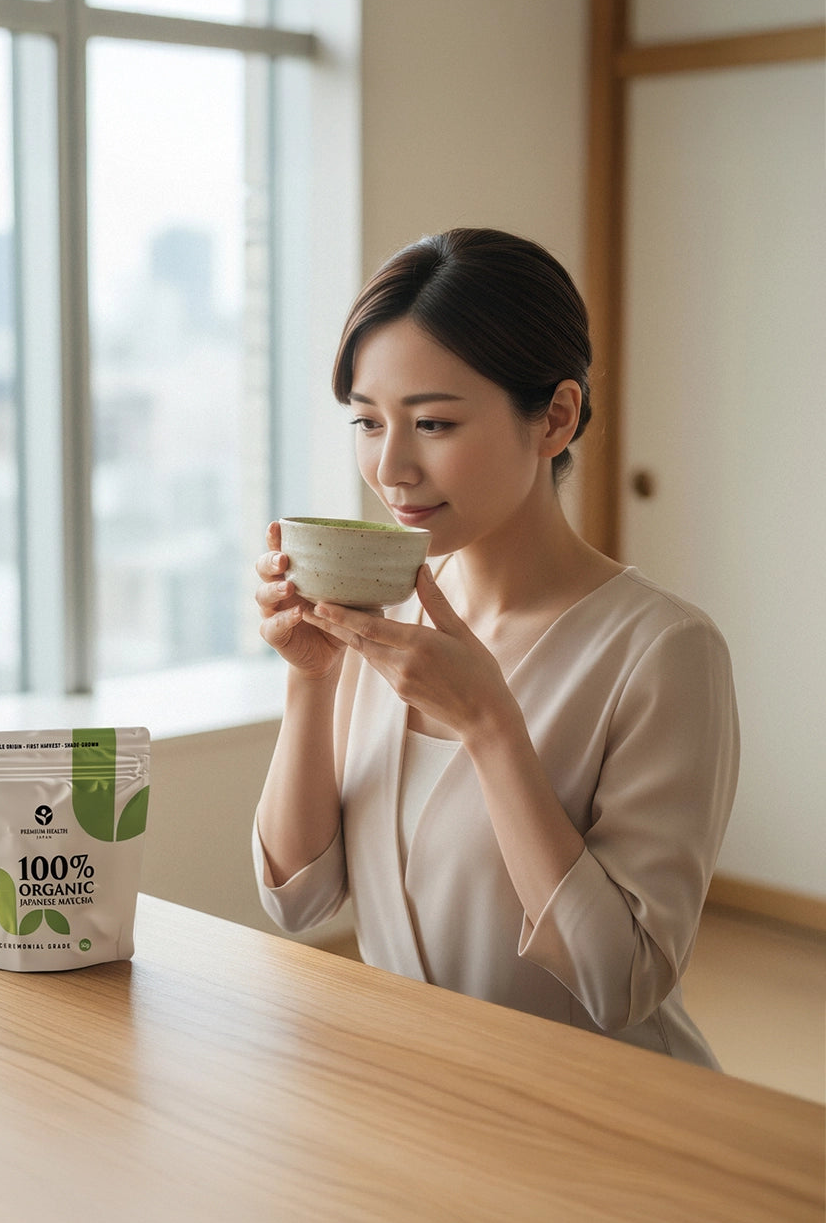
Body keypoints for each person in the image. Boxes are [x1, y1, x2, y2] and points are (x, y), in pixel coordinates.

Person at [253, 228, 739, 1067]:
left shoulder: (664, 650)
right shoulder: (386, 615)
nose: (392, 468)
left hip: (614, 1120)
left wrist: (490, 726)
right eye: (368, 422)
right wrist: (311, 681)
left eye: (434, 423)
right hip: (428, 1110)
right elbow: (300, 904)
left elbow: (621, 981)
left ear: (555, 418)